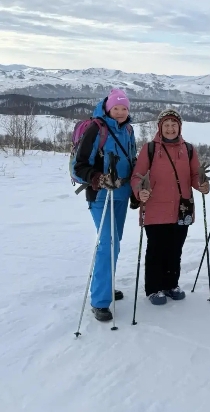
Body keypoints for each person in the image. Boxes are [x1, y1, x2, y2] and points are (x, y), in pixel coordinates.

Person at [131, 109, 210, 305]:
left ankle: (171, 284)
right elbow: (137, 176)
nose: (170, 128)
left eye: (174, 124)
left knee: (175, 249)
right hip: (155, 207)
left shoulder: (189, 149)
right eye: (166, 125)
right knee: (156, 249)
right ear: (159, 127)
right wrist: (140, 191)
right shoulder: (149, 149)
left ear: (179, 127)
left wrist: (202, 184)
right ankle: (154, 288)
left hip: (182, 208)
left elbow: (194, 175)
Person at [74, 88, 136, 322]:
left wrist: (136, 189)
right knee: (108, 243)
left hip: (121, 194)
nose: (120, 112)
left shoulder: (128, 130)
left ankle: (106, 286)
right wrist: (98, 178)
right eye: (116, 108)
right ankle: (100, 301)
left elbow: (132, 161)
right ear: (108, 108)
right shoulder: (96, 129)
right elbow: (79, 166)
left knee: (114, 244)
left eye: (124, 108)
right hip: (101, 196)